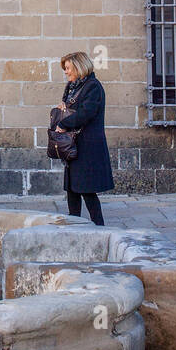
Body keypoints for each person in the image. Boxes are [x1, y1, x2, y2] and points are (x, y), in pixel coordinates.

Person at [53, 52, 114, 225]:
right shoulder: (73, 86)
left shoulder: (92, 86)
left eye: (68, 68)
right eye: (65, 69)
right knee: (72, 189)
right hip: (74, 145)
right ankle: (75, 224)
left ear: (79, 67)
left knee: (87, 189)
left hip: (87, 146)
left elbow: (86, 113)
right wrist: (62, 108)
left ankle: (100, 226)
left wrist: (64, 124)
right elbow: (73, 109)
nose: (66, 72)